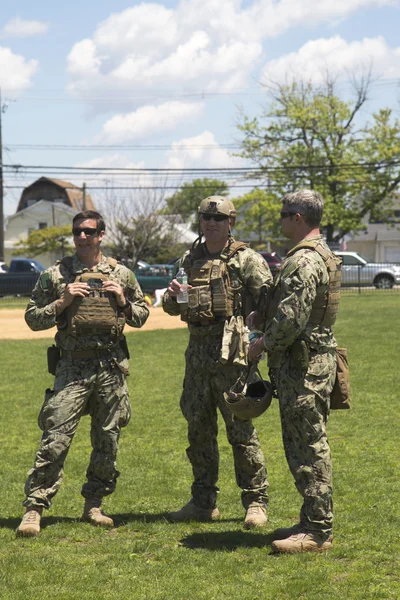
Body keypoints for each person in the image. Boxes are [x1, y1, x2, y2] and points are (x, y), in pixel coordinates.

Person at [16, 210, 149, 537]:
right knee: (56, 436)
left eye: (89, 232)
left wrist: (122, 300)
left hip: (110, 368)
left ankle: (94, 505)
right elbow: (33, 318)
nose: (82, 237)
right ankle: (35, 508)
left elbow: (142, 315)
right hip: (71, 367)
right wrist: (62, 301)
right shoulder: (56, 274)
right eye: (78, 232)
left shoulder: (122, 274)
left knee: (108, 439)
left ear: (101, 234)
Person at [162, 196, 272, 528]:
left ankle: (255, 501)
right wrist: (174, 295)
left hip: (232, 355)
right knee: (198, 429)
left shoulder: (246, 260)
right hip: (197, 355)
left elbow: (270, 302)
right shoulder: (188, 259)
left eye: (219, 218)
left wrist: (259, 337)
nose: (211, 223)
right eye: (206, 218)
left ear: (230, 223)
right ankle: (202, 501)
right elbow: (173, 307)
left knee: (240, 429)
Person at [248, 189, 342, 553]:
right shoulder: (322, 254)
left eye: (285, 213)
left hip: (303, 368)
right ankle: (310, 520)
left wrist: (261, 343)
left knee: (308, 447)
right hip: (309, 363)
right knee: (304, 444)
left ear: (298, 219)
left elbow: (291, 320)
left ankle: (318, 531)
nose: (280, 218)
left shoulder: (303, 260)